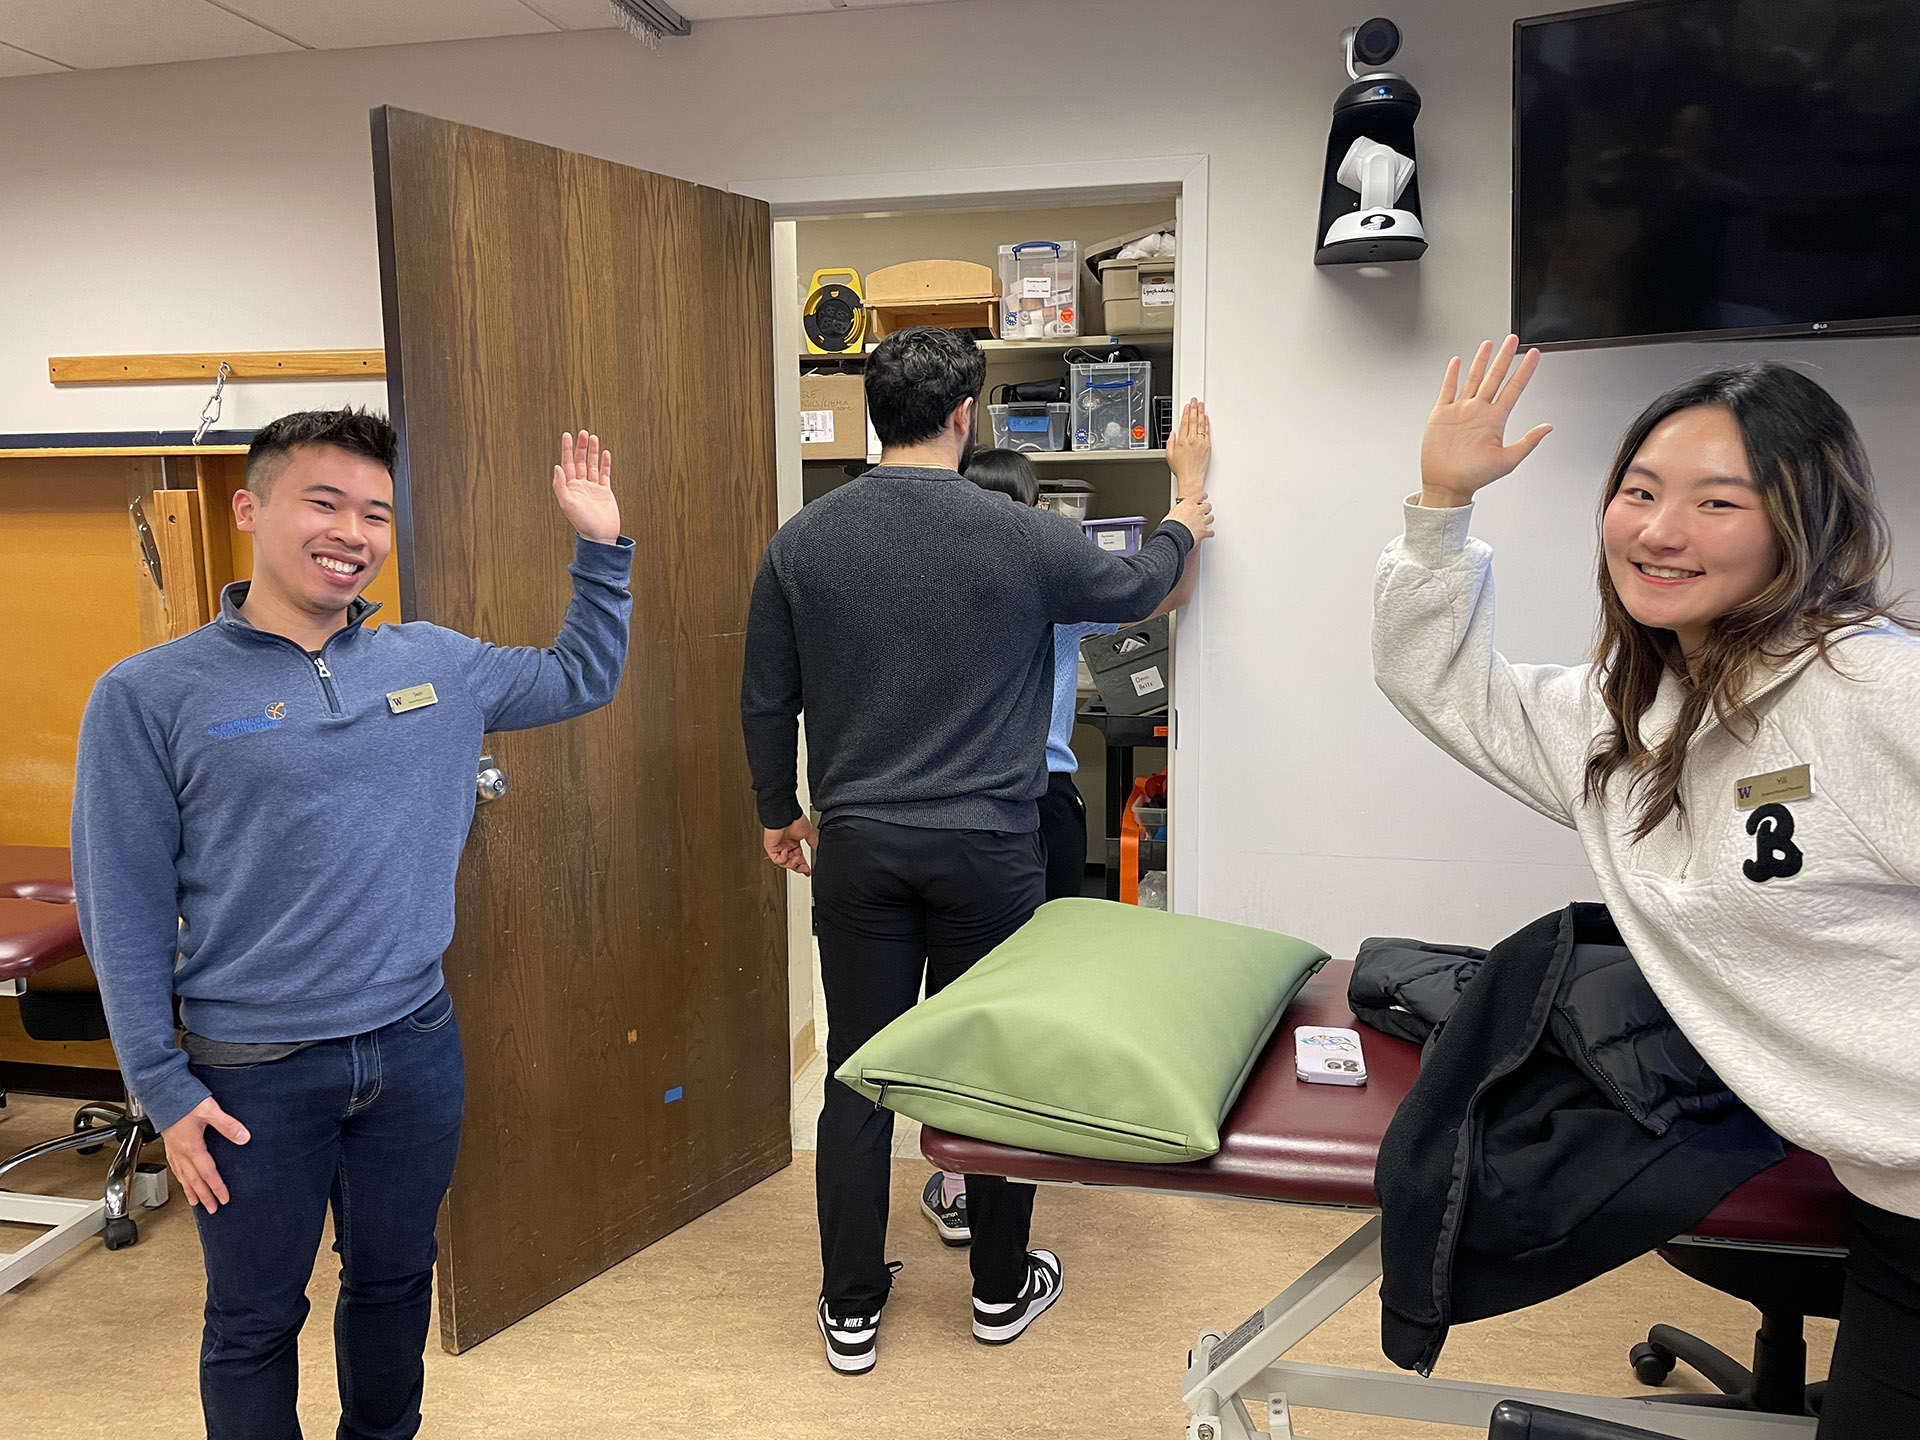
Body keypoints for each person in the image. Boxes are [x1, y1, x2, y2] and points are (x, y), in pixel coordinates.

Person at [1372, 336, 1920, 1436]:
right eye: (1639, 492)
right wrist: (1441, 502)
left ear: (1804, 521)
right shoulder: (1627, 717)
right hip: (1878, 1187)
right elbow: (1436, 679)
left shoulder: (1875, 689)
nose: (1661, 531)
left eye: (1719, 502)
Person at [72, 409, 632, 1440]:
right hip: (248, 1075)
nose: (353, 531)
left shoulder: (438, 664)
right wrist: (160, 1084)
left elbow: (579, 676)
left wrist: (599, 548)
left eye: (375, 512)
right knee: (253, 1318)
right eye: (323, 502)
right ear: (251, 509)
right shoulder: (149, 696)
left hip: (413, 1047)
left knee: (393, 1283)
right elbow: (123, 906)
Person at [740, 325, 1213, 1375]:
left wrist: (781, 808)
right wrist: (1183, 515)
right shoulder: (1015, 531)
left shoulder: (803, 542)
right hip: (990, 850)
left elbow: (768, 696)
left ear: (874, 418)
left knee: (862, 1073)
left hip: (859, 847)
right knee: (991, 1072)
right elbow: (1137, 589)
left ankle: (851, 1307)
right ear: (965, 418)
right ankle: (999, 1291)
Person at [919, 404, 1209, 1247]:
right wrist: (1187, 492)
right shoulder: (1049, 578)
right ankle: (1013, 1155)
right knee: (1030, 993)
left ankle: (957, 1171)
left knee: (960, 994)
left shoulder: (928, 590)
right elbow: (1168, 588)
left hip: (951, 808)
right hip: (1035, 807)